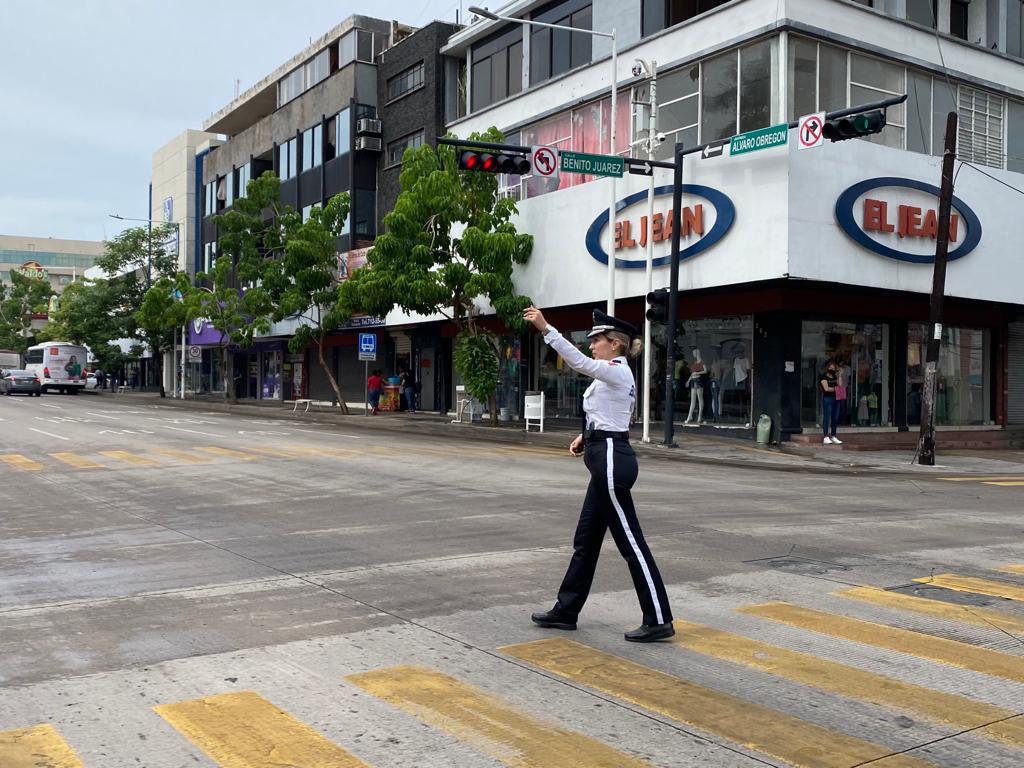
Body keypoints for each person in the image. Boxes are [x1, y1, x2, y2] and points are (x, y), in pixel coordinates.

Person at [522, 306, 675, 643]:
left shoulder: (617, 370)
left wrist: (547, 329)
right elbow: (610, 416)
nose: (591, 345)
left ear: (615, 345)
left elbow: (580, 364)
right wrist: (585, 436)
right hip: (604, 453)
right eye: (590, 341)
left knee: (631, 543)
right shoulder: (614, 374)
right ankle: (566, 611)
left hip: (610, 460)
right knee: (586, 541)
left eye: (597, 340)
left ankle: (659, 618)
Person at [820, 359, 843, 445]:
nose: (832, 369)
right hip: (827, 398)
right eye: (830, 367)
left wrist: (840, 375)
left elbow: (840, 386)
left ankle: (833, 436)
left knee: (835, 417)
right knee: (827, 417)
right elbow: (826, 389)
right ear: (827, 368)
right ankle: (825, 436)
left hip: (836, 398)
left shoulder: (835, 377)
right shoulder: (823, 377)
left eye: (833, 368)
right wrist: (836, 389)